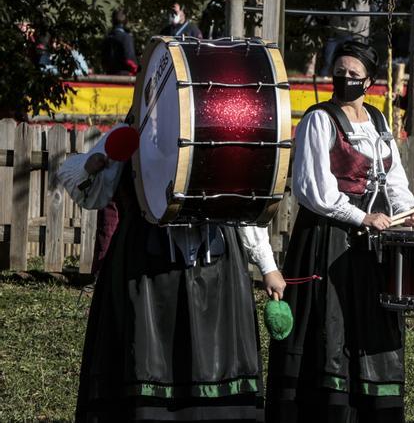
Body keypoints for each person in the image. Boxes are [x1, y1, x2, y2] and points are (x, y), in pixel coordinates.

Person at [65, 126, 284, 421]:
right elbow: (91, 196)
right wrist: (91, 168)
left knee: (216, 360)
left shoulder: (218, 129)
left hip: (216, 269)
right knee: (147, 358)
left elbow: (240, 202)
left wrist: (267, 266)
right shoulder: (131, 130)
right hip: (146, 271)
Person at [267, 39, 414, 423]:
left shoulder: (379, 122)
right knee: (329, 328)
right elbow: (314, 190)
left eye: (354, 74)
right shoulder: (319, 120)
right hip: (327, 240)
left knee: (369, 327)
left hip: (371, 247)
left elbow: (394, 179)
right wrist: (361, 217)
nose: (345, 79)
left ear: (369, 81)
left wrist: (405, 210)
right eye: (340, 72)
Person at [100, 9, 138, 75]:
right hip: (125, 79)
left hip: (108, 77)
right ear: (126, 21)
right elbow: (130, 61)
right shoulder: (126, 38)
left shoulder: (107, 38)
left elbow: (103, 61)